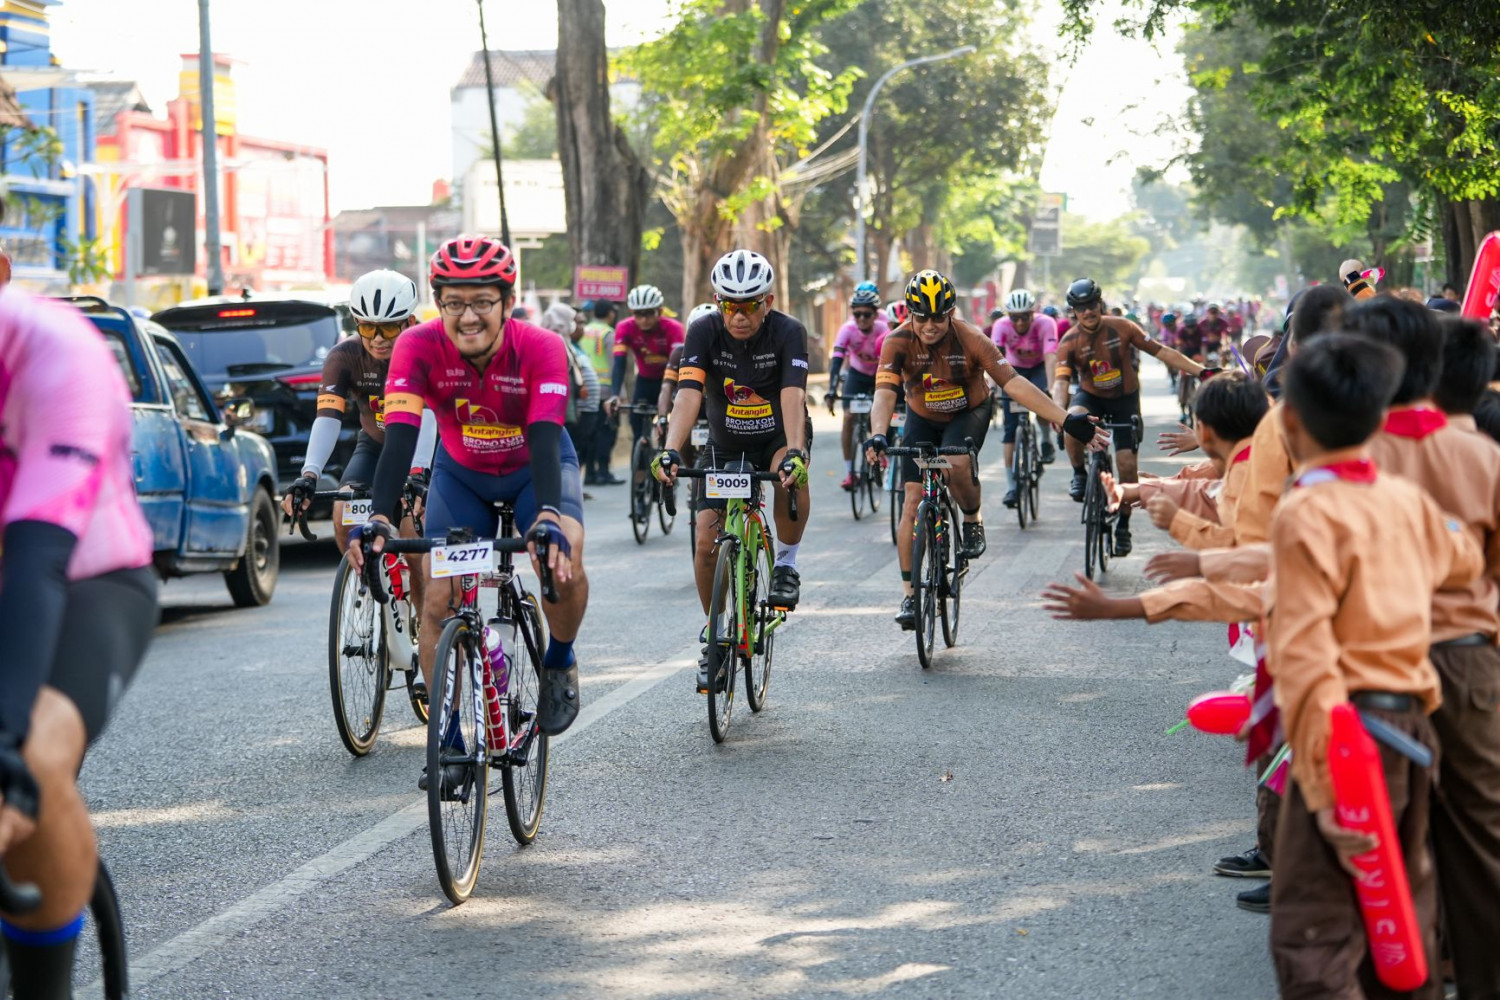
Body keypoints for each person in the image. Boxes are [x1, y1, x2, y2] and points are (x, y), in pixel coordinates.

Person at [348, 235, 588, 773]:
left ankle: (559, 658)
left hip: (534, 470)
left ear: (508, 301)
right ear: (438, 303)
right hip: (462, 478)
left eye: (482, 301)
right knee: (439, 599)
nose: (468, 316)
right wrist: (380, 516)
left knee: (564, 556)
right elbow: (401, 437)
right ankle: (450, 730)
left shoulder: (541, 347)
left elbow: (545, 439)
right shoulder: (416, 346)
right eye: (454, 303)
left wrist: (549, 517)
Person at [0, 288, 159, 996]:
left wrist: (4, 738)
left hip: (83, 580)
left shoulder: (59, 350)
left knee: (31, 757)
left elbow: (37, 558)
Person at [1351, 301, 1500, 999]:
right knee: (1482, 845)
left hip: (1375, 672)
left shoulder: (1349, 457)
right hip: (1469, 666)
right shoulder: (1481, 455)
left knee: (1385, 855)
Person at [866, 269, 1103, 629]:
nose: (929, 326)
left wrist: (1066, 419)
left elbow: (1014, 383)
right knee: (912, 501)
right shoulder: (896, 341)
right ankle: (910, 596)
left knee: (956, 462)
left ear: (951, 313)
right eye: (921, 317)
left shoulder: (971, 338)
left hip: (968, 412)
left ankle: (972, 518)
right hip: (922, 417)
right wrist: (878, 434)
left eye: (937, 317)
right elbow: (884, 393)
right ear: (910, 314)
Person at [652, 250, 811, 692]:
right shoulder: (703, 331)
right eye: (729, 305)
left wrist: (794, 452)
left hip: (777, 436)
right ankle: (716, 632)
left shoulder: (789, 332)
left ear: (768, 302)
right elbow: (688, 394)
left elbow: (793, 395)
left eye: (749, 305)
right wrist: (671, 450)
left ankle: (786, 563)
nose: (739, 315)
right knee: (706, 542)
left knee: (789, 477)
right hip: (725, 445)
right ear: (717, 302)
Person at [282, 269, 435, 554]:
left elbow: (428, 417)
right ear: (356, 323)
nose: (377, 338)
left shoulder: (425, 350)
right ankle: (363, 577)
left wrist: (418, 472)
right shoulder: (344, 356)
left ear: (410, 322)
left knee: (412, 533)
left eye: (388, 328)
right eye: (367, 328)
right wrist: (309, 474)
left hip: (427, 450)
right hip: (375, 446)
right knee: (344, 515)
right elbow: (328, 419)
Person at [1052, 277, 1207, 556]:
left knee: (1126, 465)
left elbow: (1162, 351)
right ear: (1073, 311)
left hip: (1125, 400)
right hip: (1091, 398)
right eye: (1081, 308)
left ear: (1100, 304)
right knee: (1071, 419)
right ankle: (1079, 473)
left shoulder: (1123, 327)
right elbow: (1061, 383)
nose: (1088, 312)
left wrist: (1201, 371)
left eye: (1092, 305)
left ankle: (1123, 525)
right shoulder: (1070, 341)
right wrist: (1057, 412)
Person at [990, 289, 1059, 503]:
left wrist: (1051, 388)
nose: (1019, 322)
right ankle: (1011, 487)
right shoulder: (1000, 325)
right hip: (1013, 370)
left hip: (1039, 368)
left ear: (1033, 313)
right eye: (1015, 317)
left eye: (1025, 317)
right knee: (1010, 432)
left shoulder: (1046, 323)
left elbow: (1051, 358)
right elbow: (993, 359)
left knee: (1043, 400)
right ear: (1008, 316)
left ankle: (1045, 439)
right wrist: (992, 388)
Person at [824, 282, 890, 489]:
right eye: (857, 314)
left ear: (875, 314)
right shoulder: (847, 329)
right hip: (857, 374)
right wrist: (832, 389)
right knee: (849, 418)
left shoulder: (883, 328)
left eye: (867, 314)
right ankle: (850, 471)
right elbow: (836, 361)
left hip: (879, 374)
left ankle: (881, 452)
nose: (861, 318)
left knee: (877, 417)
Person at [611, 285, 685, 446]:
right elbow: (619, 362)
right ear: (632, 312)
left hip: (671, 381)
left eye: (649, 313)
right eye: (639, 314)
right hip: (645, 380)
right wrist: (615, 394)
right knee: (636, 425)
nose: (644, 319)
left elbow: (679, 363)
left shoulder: (674, 328)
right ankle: (640, 455)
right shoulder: (624, 327)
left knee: (671, 423)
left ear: (659, 311)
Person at [582, 300, 623, 485]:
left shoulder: (583, 330)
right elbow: (615, 366)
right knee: (606, 433)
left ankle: (590, 473)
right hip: (606, 392)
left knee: (590, 434)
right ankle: (604, 472)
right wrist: (619, 394)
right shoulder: (608, 333)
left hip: (587, 390)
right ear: (610, 314)